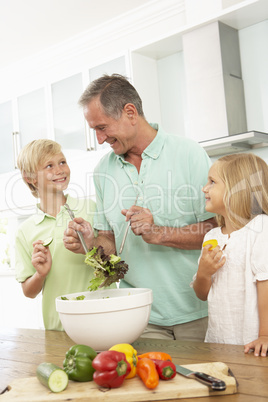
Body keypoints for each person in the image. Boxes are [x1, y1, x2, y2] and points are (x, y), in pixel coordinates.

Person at [64, 73, 216, 341]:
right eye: (94, 131)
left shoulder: (189, 154)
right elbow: (110, 243)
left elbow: (218, 232)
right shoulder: (103, 171)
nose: (99, 140)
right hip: (139, 315)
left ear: (130, 113)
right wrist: (90, 240)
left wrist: (159, 232)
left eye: (102, 127)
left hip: (197, 312)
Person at [15, 139, 97, 330]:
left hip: (101, 318)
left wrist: (90, 246)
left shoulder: (91, 209)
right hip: (59, 327)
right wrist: (40, 274)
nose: (60, 170)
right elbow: (29, 291)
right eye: (49, 166)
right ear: (30, 178)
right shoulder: (26, 230)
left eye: (62, 162)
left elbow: (113, 257)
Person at [192, 153, 268, 356]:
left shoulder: (260, 228)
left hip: (254, 344)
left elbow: (265, 283)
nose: (204, 188)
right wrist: (204, 273)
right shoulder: (212, 235)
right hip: (218, 343)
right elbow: (202, 294)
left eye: (212, 182)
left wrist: (265, 335)